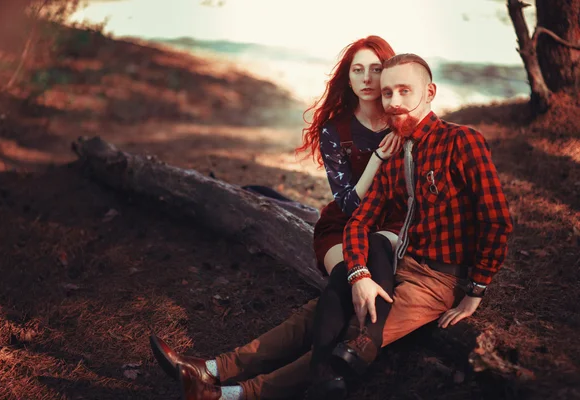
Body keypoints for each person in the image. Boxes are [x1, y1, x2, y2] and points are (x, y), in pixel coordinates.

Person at [149, 36, 403, 400]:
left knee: (335, 301)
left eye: (375, 70)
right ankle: (224, 378)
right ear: (347, 79)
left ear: (388, 74)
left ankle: (216, 374)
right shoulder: (337, 131)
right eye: (357, 70)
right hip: (344, 226)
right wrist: (376, 159)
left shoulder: (404, 123)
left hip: (388, 232)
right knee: (346, 280)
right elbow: (347, 203)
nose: (366, 78)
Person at [333, 53, 514, 381]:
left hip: (439, 280)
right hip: (398, 266)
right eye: (387, 93)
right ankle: (219, 369)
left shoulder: (460, 141)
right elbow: (359, 221)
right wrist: (359, 275)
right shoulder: (394, 153)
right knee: (315, 316)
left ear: (429, 92)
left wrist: (475, 291)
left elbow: (496, 219)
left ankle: (247, 391)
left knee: (345, 340)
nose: (394, 101)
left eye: (404, 91)